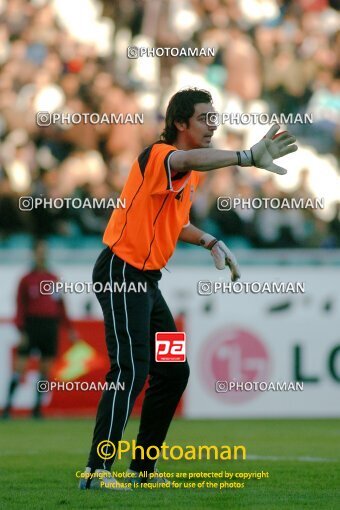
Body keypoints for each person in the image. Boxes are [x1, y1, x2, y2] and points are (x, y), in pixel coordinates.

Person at [80, 88, 297, 490]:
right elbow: (184, 159)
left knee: (173, 370)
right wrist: (246, 157)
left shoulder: (186, 170)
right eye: (204, 118)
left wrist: (210, 241)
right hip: (122, 271)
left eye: (214, 118)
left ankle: (142, 471)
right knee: (130, 369)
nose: (212, 124)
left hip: (143, 279)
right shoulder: (164, 156)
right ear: (180, 123)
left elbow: (175, 223)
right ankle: (97, 470)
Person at [2, 240, 77, 419]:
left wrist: (69, 328)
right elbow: (20, 306)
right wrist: (21, 330)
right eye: (39, 251)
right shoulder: (26, 280)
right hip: (31, 325)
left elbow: (61, 305)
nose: (42, 254)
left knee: (45, 368)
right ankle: (7, 408)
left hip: (50, 326)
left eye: (44, 251)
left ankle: (37, 409)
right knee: (20, 367)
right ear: (33, 254)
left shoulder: (53, 278)